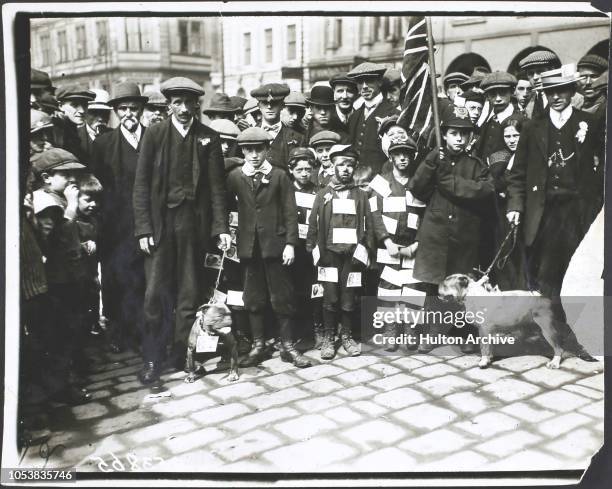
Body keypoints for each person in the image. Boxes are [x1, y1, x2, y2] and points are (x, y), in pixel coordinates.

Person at [133, 76, 231, 384]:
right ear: (169, 105)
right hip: (161, 227)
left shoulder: (208, 138)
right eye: (178, 103)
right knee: (154, 295)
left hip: (193, 227)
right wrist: (144, 228)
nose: (184, 109)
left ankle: (184, 355)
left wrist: (221, 228)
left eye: (190, 103)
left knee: (189, 293)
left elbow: (217, 189)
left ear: (197, 105)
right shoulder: (154, 134)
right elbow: (141, 185)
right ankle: (152, 357)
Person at [506, 68, 603, 299]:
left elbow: (601, 170)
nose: (556, 97)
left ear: (571, 92)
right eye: (550, 92)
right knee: (543, 277)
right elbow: (517, 173)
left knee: (577, 275)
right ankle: (546, 328)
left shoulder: (590, 123)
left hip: (578, 214)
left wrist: (596, 204)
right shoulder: (532, 127)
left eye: (561, 91)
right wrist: (515, 206)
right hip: (543, 213)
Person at [409, 107, 495, 353]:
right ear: (444, 135)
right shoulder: (435, 159)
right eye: (453, 133)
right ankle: (432, 333)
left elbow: (484, 191)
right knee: (434, 288)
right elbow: (417, 188)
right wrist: (431, 162)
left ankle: (465, 332)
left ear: (470, 138)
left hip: (465, 236)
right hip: (436, 234)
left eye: (464, 134)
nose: (459, 138)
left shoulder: (476, 165)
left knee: (463, 288)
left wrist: (450, 181)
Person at [226, 127, 311, 368]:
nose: (253, 155)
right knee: (253, 297)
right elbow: (225, 207)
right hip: (248, 248)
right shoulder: (235, 177)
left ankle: (288, 346)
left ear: (266, 150)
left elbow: (289, 212)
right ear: (242, 151)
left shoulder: (279, 176)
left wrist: (291, 245)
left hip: (276, 245)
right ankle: (258, 345)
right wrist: (226, 233)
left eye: (258, 149)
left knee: (282, 296)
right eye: (248, 150)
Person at [91, 82, 149, 354]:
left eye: (134, 109)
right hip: (115, 227)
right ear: (115, 111)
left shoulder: (154, 138)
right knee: (116, 280)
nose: (129, 114)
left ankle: (140, 330)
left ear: (141, 110)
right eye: (123, 109)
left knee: (143, 279)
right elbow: (96, 187)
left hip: (147, 224)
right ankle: (117, 332)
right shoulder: (103, 144)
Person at [306, 144, 375, 360]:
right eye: (341, 164)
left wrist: (364, 252)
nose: (345, 169)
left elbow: (368, 225)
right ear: (333, 166)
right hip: (329, 255)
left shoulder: (360, 196)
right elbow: (313, 225)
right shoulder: (323, 194)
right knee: (330, 296)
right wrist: (314, 250)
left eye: (350, 165)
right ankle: (329, 337)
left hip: (352, 256)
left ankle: (346, 335)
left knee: (349, 295)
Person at [370, 140, 426, 350]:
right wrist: (385, 240)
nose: (403, 158)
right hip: (389, 246)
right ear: (391, 157)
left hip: (413, 245)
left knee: (414, 287)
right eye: (398, 154)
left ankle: (411, 331)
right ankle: (390, 332)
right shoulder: (381, 183)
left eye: (407, 154)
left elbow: (427, 215)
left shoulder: (419, 183)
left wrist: (418, 243)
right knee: (388, 288)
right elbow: (374, 214)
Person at [286, 147, 322, 347]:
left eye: (308, 169)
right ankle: (293, 331)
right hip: (293, 246)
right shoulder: (287, 190)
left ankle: (316, 328)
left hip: (311, 246)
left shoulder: (318, 191)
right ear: (291, 170)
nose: (304, 174)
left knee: (314, 287)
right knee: (293, 288)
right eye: (299, 169)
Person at [486, 118, 527, 290]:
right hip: (504, 214)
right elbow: (493, 182)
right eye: (507, 136)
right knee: (505, 254)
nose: (512, 140)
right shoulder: (498, 158)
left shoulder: (532, 155)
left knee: (525, 257)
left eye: (516, 135)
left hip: (528, 212)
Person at [347, 62, 399, 176]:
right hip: (357, 179)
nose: (364, 86)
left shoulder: (393, 114)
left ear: (379, 82)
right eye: (360, 82)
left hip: (383, 177)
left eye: (369, 80)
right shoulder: (354, 116)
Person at [74, 173, 104, 335]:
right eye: (87, 200)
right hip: (77, 270)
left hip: (91, 268)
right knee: (80, 298)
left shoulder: (94, 219)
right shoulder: (73, 220)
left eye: (96, 200)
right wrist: (83, 245)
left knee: (93, 293)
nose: (93, 204)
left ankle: (94, 323)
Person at [251, 83, 305, 169]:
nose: (269, 107)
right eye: (265, 103)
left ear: (282, 105)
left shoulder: (298, 139)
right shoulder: (249, 135)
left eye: (274, 103)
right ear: (259, 106)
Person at [476, 71, 528, 160]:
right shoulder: (485, 119)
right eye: (493, 94)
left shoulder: (521, 120)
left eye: (503, 93)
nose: (498, 99)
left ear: (512, 92)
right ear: (487, 96)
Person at [518, 50, 562, 118]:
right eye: (531, 73)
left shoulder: (572, 98)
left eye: (540, 71)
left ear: (553, 71)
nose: (535, 77)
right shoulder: (527, 101)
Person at [79, 89, 112, 165]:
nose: (100, 118)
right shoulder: (75, 137)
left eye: (104, 113)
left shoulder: (116, 136)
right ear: (85, 113)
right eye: (94, 113)